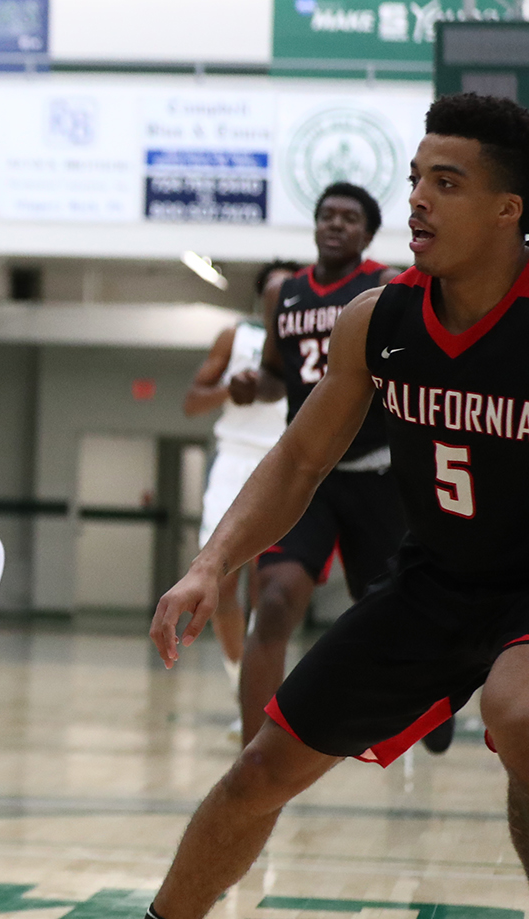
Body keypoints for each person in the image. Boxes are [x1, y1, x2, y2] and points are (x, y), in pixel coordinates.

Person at [28, 92, 529, 919]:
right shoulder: (379, 322)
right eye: (416, 178)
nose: (417, 199)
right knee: (263, 764)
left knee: (518, 708)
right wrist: (211, 564)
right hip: (434, 577)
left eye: (447, 183)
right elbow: (299, 457)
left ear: (510, 209)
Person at [233, 183, 424, 750]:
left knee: (391, 616)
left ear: (367, 233)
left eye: (349, 218)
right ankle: (250, 755)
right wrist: (251, 387)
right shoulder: (282, 292)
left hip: (378, 475)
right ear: (315, 226)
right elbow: (275, 375)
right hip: (309, 475)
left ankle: (423, 716)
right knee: (273, 601)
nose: (335, 224)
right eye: (327, 216)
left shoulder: (385, 286)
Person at [182, 260, 299, 687]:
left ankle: (263, 682)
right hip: (233, 459)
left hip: (286, 463)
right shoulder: (236, 336)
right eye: (274, 288)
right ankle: (238, 680)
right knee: (221, 580)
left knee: (270, 587)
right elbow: (191, 402)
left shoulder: (311, 339)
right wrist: (227, 391)